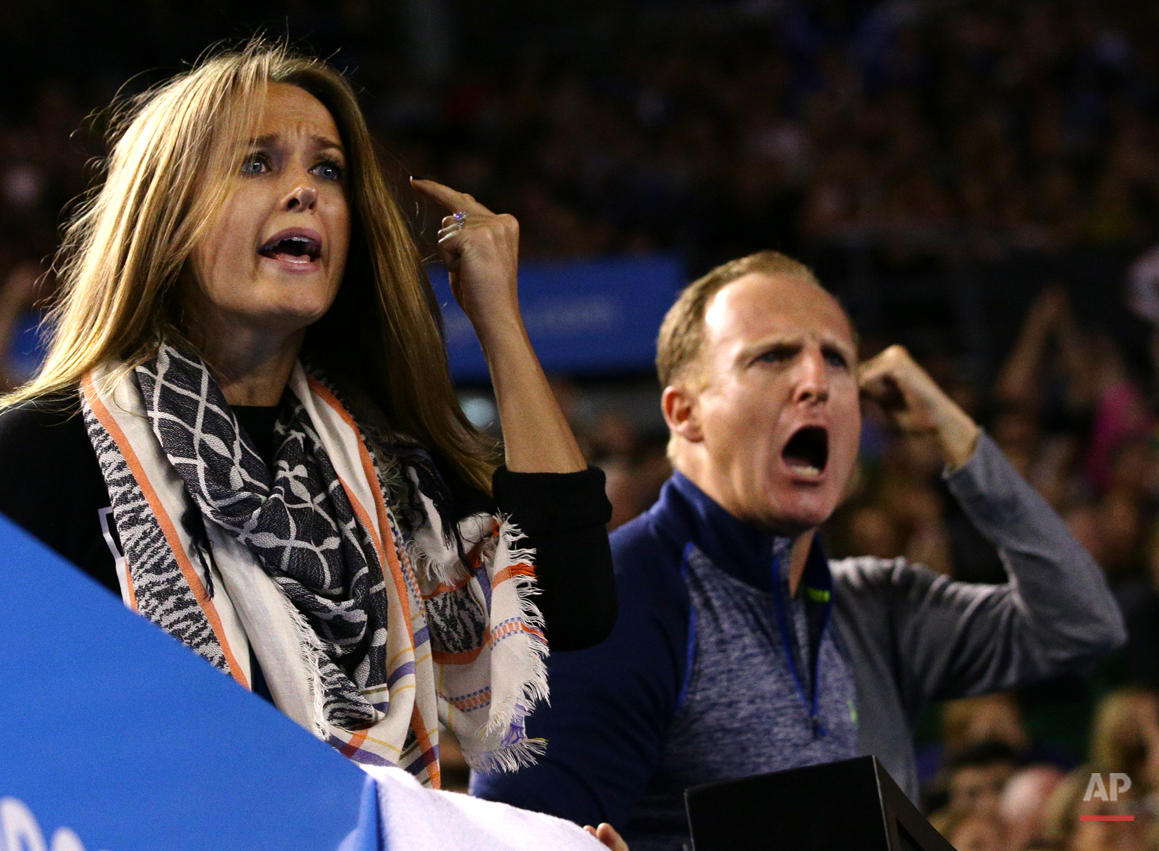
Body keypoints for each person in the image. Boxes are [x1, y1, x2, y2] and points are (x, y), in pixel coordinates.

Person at [0, 43, 616, 789]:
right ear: (167, 219)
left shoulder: (382, 466)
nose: (305, 191)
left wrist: (497, 318)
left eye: (327, 169)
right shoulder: (44, 451)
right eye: (257, 163)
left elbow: (573, 601)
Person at [472, 251, 1126, 849]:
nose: (815, 379)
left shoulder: (878, 605)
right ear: (683, 412)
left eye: (838, 360)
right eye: (772, 356)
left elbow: (1079, 624)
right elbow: (507, 839)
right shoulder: (608, 603)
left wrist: (953, 432)